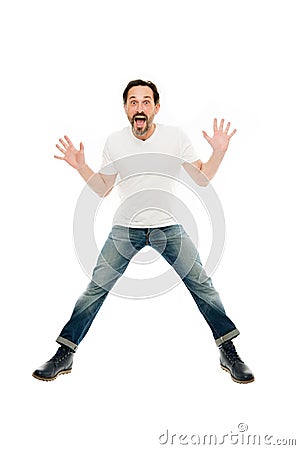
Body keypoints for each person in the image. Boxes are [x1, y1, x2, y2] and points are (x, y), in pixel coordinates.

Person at [32, 79, 254, 384]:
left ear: (156, 107)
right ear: (125, 108)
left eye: (146, 102)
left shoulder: (175, 138)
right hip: (126, 229)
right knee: (95, 289)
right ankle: (65, 353)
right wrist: (80, 166)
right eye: (133, 102)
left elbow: (201, 179)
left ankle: (228, 351)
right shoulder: (115, 142)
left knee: (202, 285)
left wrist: (219, 153)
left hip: (168, 227)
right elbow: (102, 188)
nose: (140, 107)